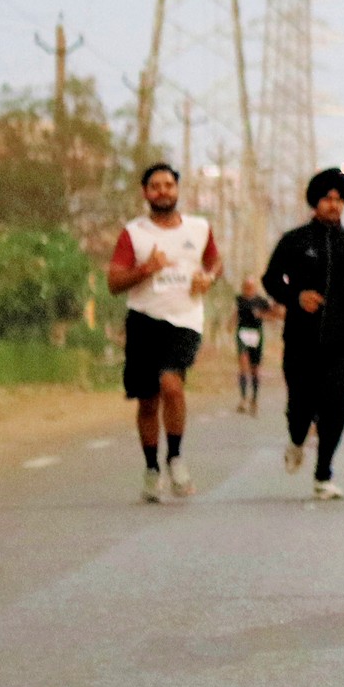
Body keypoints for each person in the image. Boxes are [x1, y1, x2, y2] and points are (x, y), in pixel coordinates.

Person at [105, 162, 220, 504]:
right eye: (155, 186)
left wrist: (208, 277)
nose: (162, 191)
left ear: (177, 189)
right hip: (144, 319)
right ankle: (152, 468)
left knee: (172, 385)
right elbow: (114, 282)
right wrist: (146, 269)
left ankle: (176, 458)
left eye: (168, 185)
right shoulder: (134, 233)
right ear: (145, 192)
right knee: (147, 401)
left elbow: (214, 261)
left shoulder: (199, 228)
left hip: (185, 320)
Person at [261, 168, 344, 501]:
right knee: (300, 408)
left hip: (340, 341)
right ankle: (297, 439)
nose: (333, 204)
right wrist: (295, 297)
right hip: (300, 338)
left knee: (334, 409)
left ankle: (324, 473)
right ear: (315, 202)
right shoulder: (295, 240)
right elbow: (270, 280)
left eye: (339, 199)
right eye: (327, 198)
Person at [231, 276, 271, 414]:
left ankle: (254, 400)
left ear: (254, 287)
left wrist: (261, 315)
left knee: (255, 369)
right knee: (243, 365)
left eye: (250, 287)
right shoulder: (239, 299)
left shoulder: (261, 301)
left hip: (256, 334)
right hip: (243, 332)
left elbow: (272, 315)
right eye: (246, 287)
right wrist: (231, 323)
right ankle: (243, 399)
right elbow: (236, 313)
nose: (248, 289)